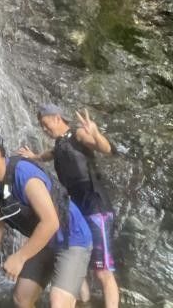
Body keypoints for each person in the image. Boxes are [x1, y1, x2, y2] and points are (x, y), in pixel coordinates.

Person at [0, 127, 92, 308]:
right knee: (21, 299)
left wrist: (20, 257)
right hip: (44, 242)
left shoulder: (24, 174)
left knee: (58, 302)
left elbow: (50, 222)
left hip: (72, 238)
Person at [18, 104, 120, 308]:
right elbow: (48, 154)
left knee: (102, 271)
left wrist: (96, 134)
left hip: (95, 208)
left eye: (45, 124)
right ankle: (84, 303)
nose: (44, 129)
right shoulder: (59, 145)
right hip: (76, 211)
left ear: (57, 118)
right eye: (41, 127)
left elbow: (105, 148)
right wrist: (34, 157)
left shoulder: (79, 134)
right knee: (77, 262)